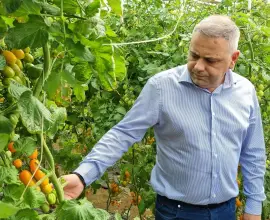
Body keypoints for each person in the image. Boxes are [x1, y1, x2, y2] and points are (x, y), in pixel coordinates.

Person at [62, 15, 266, 220]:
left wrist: (254, 207)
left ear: (233, 59)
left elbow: (253, 153)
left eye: (211, 60)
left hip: (225, 211)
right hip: (176, 212)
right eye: (194, 55)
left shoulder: (245, 92)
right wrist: (82, 175)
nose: (198, 66)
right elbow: (123, 134)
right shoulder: (162, 88)